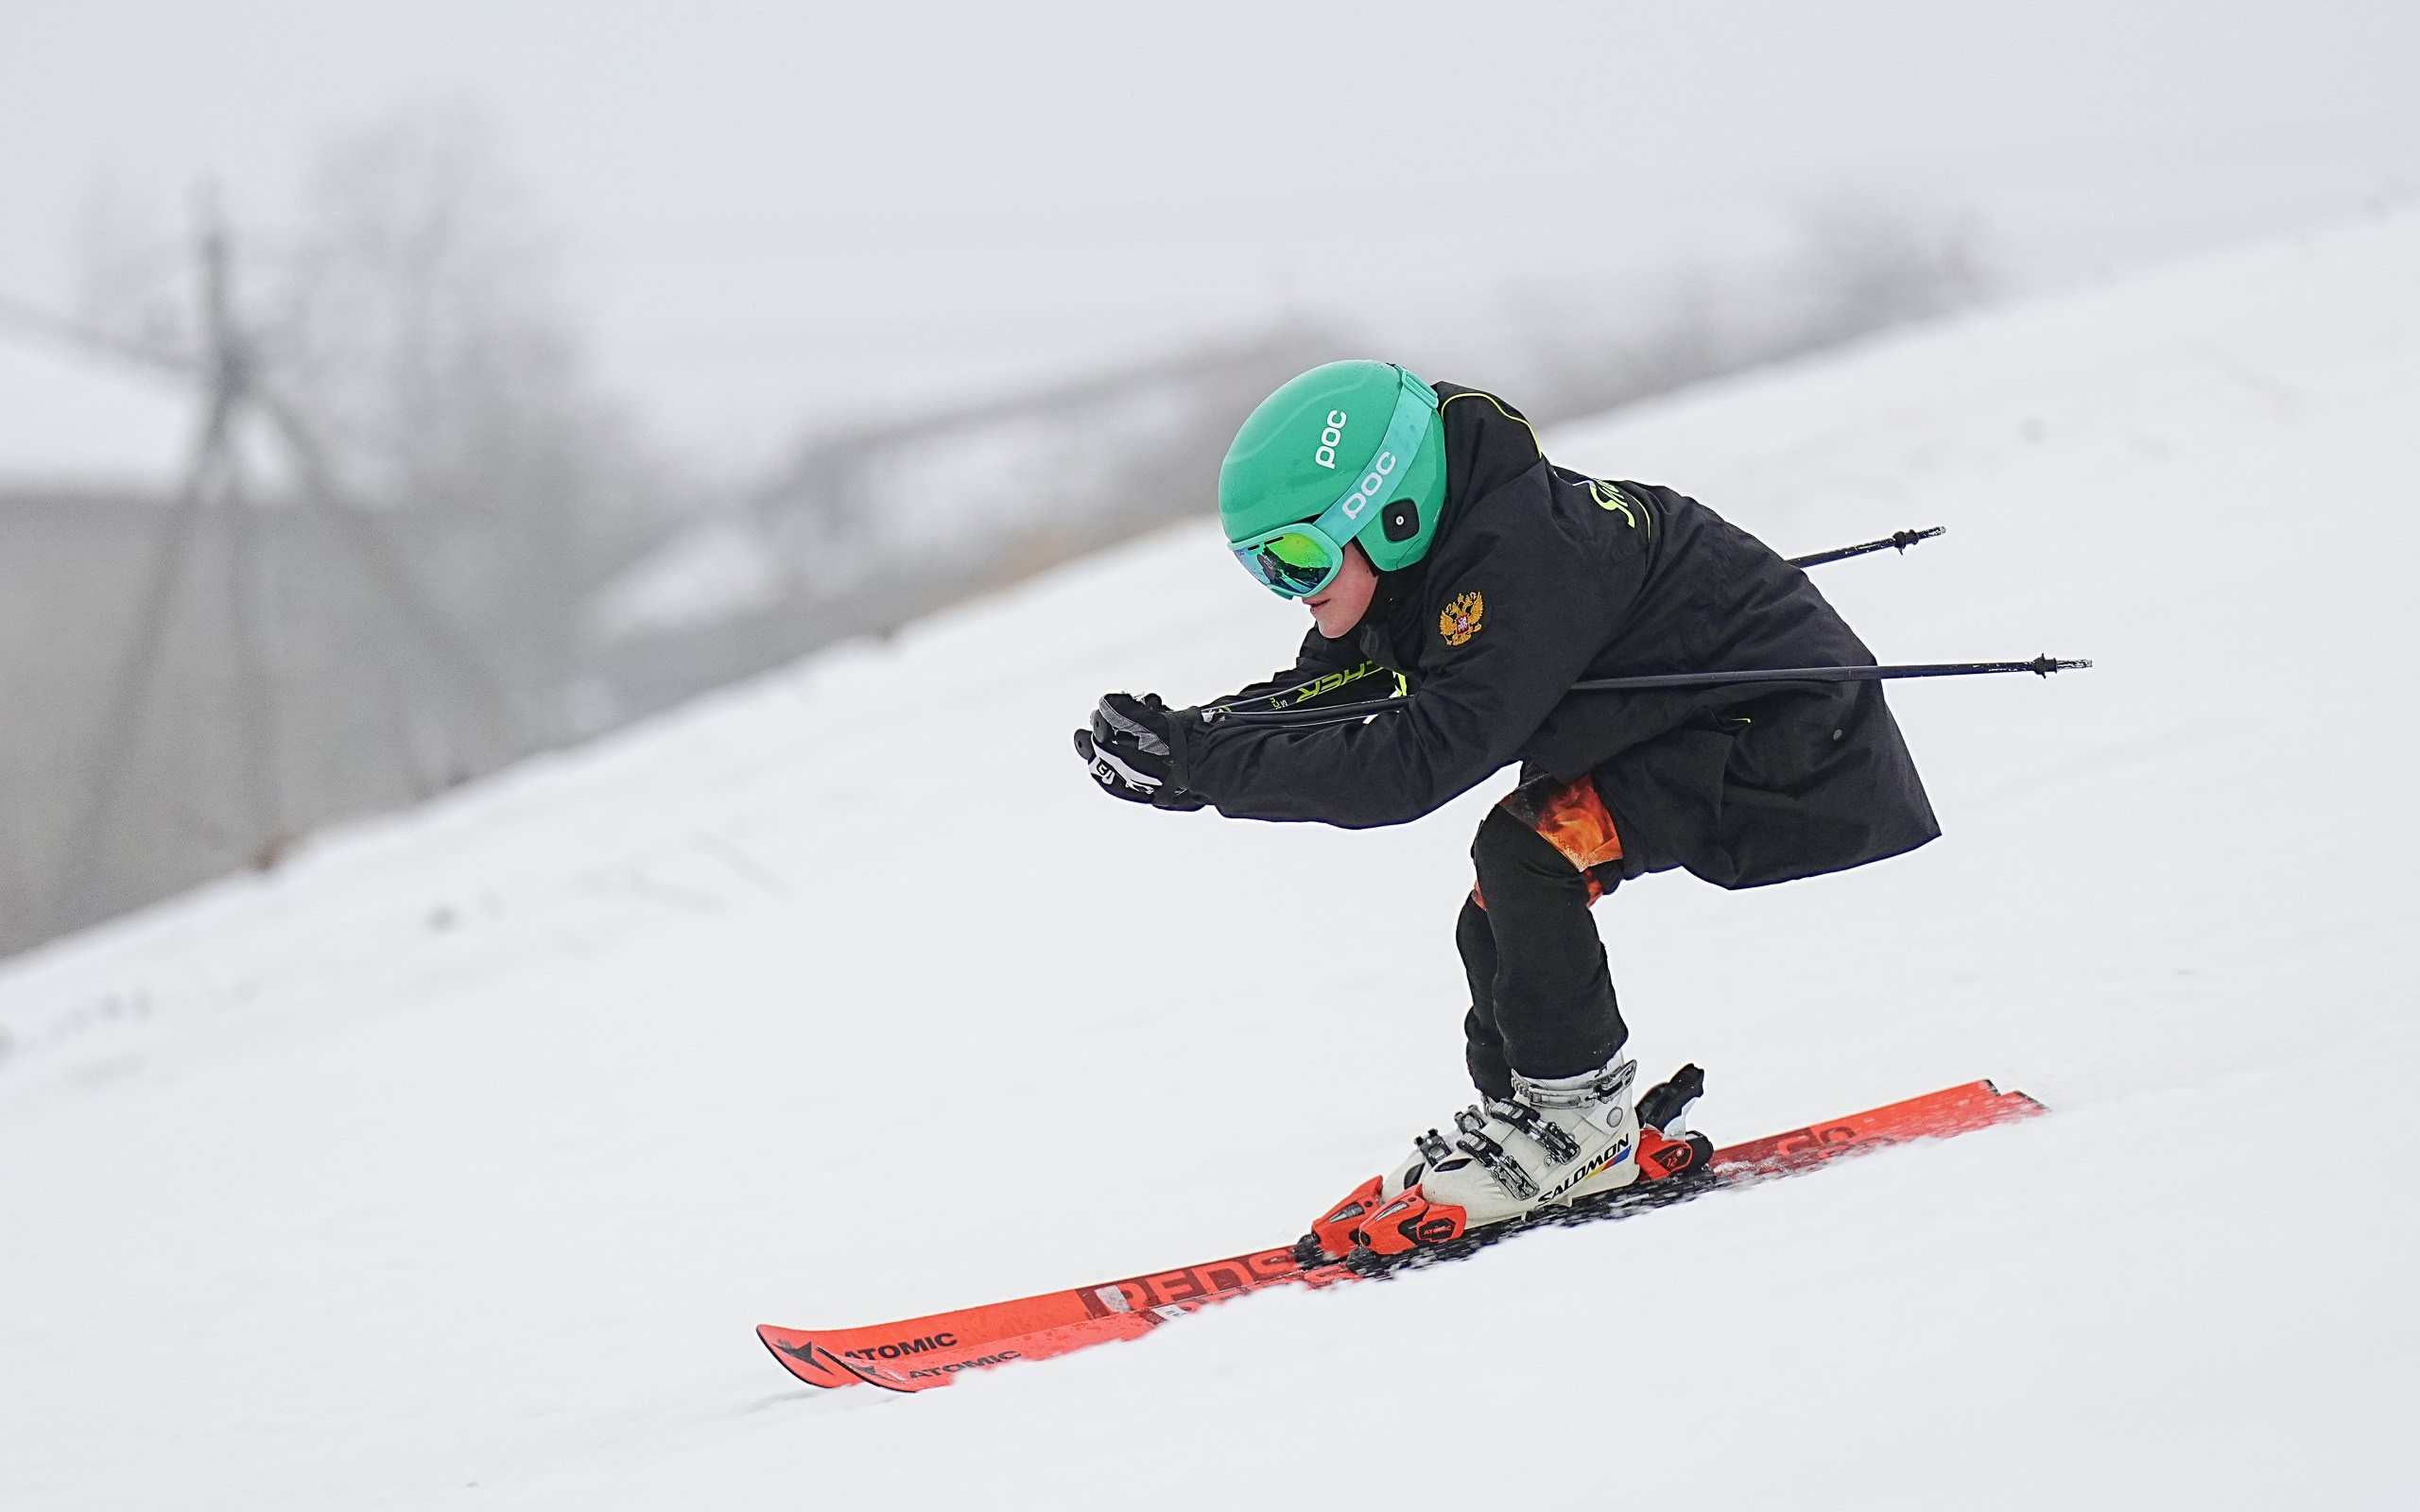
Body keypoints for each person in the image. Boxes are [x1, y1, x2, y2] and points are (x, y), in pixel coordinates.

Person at [1074, 360, 1938, 1260]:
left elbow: (1414, 767)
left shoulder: (1520, 562)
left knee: (1529, 854)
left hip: (1788, 732)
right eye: (1262, 568)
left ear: (1393, 513)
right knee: (1503, 893)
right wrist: (1185, 743)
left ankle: (1575, 1128)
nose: (1292, 588)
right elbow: (1330, 695)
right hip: (1691, 723)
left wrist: (1207, 767)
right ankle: (1527, 1118)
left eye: (1301, 556)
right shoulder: (1432, 561)